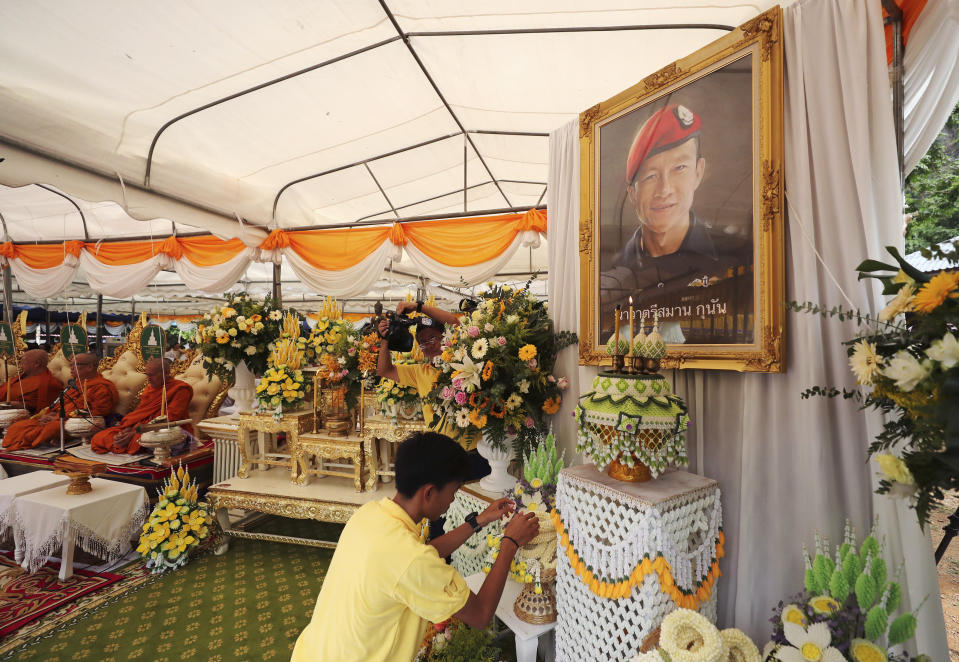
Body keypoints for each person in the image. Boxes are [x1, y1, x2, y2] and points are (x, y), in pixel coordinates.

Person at [291, 431, 539, 662]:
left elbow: (422, 554)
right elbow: (481, 615)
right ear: (429, 493)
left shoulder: (371, 514)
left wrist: (479, 521)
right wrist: (510, 542)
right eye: (453, 491)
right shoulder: (411, 560)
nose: (453, 499)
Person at [601, 103, 753, 344]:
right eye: (650, 176)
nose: (665, 190)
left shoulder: (735, 258)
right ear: (632, 193)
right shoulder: (611, 269)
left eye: (679, 168)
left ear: (698, 172)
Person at [377, 300, 490, 480]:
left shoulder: (461, 361)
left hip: (473, 452)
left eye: (432, 338)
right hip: (441, 455)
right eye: (422, 343)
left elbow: (454, 323)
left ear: (445, 337)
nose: (427, 345)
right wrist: (385, 339)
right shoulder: (420, 372)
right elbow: (384, 370)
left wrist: (418, 307)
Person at [3, 352, 118, 450]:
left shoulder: (101, 387)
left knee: (51, 428)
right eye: (71, 365)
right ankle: (20, 443)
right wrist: (50, 414)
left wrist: (58, 417)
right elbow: (59, 403)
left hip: (75, 422)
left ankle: (28, 444)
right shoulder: (75, 384)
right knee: (19, 426)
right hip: (58, 418)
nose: (71, 368)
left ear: (90, 367)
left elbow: (99, 411)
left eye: (76, 365)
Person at [90, 358, 193, 455]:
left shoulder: (181, 389)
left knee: (146, 439)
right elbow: (140, 414)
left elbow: (170, 418)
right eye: (147, 375)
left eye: (152, 375)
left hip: (165, 430)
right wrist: (129, 429)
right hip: (141, 429)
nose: (149, 379)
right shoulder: (150, 389)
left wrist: (135, 432)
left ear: (166, 373)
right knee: (100, 437)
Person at [0, 349, 63, 414]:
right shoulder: (20, 377)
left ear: (37, 363)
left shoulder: (50, 384)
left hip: (18, 415)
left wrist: (18, 405)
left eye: (24, 360)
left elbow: (42, 409)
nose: (20, 363)